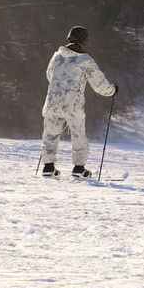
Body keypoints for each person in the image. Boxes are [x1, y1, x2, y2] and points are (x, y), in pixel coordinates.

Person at [40, 26, 117, 178]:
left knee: (50, 133)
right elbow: (99, 84)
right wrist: (112, 90)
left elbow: (50, 76)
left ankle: (48, 166)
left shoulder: (57, 57)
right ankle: (78, 168)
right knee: (78, 134)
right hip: (72, 105)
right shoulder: (85, 61)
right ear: (84, 41)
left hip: (53, 101)